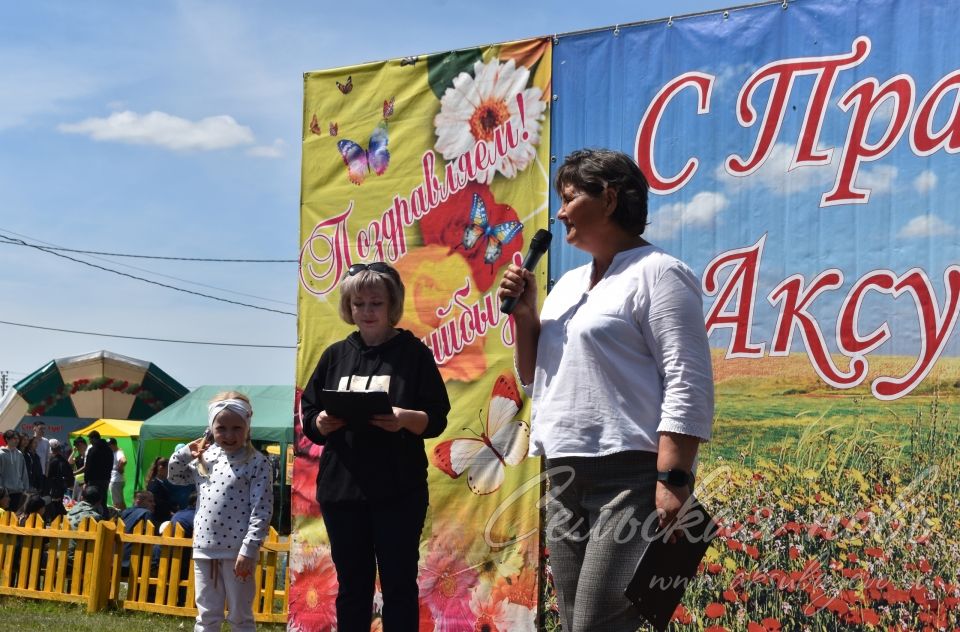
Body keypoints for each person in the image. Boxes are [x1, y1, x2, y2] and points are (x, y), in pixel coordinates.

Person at [497, 148, 715, 632]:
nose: (558, 212)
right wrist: (528, 315)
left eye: (570, 198)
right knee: (577, 621)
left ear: (610, 198)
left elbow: (687, 378)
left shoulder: (660, 272)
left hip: (630, 476)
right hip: (564, 473)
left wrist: (674, 480)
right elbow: (537, 379)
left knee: (598, 624)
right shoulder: (568, 283)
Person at [301, 261, 450, 631]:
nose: (367, 311)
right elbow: (310, 416)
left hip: (398, 491)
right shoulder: (335, 355)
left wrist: (403, 417)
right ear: (349, 308)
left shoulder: (413, 354)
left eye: (375, 303)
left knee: (399, 586)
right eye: (359, 304)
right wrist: (319, 421)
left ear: (392, 306)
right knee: (352, 587)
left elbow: (437, 417)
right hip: (342, 491)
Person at [168, 391, 274, 632]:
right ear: (210, 427)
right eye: (221, 427)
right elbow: (174, 476)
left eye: (237, 427)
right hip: (204, 549)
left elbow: (262, 510)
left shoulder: (257, 463)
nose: (229, 435)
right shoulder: (204, 457)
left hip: (238, 553)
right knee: (207, 615)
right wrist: (186, 452)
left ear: (247, 426)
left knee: (240, 616)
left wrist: (249, 550)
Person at [0, 429, 30, 512]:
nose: (17, 440)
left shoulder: (19, 454)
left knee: (15, 516)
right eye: (14, 438)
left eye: (17, 438)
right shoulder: (1, 454)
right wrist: (2, 489)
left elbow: (24, 472)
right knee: (5, 517)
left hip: (18, 491)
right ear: (7, 439)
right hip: (5, 493)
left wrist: (25, 488)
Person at [78, 431, 112, 498]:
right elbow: (111, 465)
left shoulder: (92, 450)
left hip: (93, 481)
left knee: (92, 501)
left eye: (90, 439)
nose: (90, 442)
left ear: (94, 439)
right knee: (102, 500)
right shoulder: (109, 450)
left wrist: (86, 481)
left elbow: (88, 466)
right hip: (105, 480)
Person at [145, 457, 175, 524]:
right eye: (168, 469)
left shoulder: (160, 483)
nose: (169, 471)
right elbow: (158, 503)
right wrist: (169, 512)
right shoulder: (154, 485)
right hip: (159, 519)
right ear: (161, 468)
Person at [107, 438, 127, 510]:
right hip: (117, 480)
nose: (108, 447)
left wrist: (120, 468)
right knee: (120, 501)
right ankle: (125, 516)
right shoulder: (115, 452)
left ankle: (119, 518)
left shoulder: (118, 452)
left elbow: (124, 460)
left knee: (117, 503)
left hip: (116, 480)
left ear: (114, 445)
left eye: (110, 445)